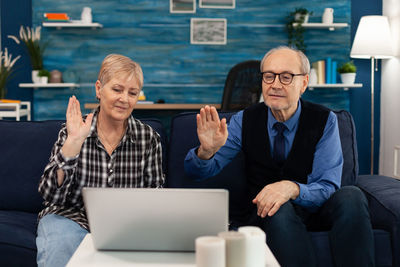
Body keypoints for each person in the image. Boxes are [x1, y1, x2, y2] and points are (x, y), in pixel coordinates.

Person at [184, 46, 374, 267]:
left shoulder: (325, 120)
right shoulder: (244, 121)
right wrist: (206, 151)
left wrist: (292, 188)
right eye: (268, 76)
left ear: (303, 83)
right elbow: (196, 173)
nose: (274, 84)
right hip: (269, 213)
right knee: (277, 206)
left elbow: (328, 185)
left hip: (315, 208)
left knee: (352, 194)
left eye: (285, 77)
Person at [36, 54, 164, 267]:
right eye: (117, 89)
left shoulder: (148, 138)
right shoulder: (73, 131)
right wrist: (73, 143)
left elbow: (155, 198)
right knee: (60, 250)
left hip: (125, 225)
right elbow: (51, 194)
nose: (124, 99)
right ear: (98, 89)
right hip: (69, 217)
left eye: (133, 93)